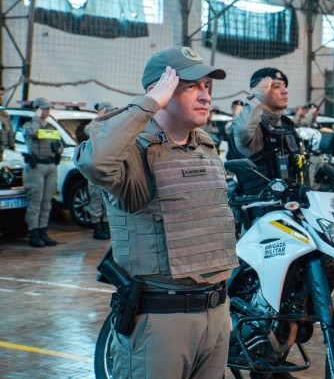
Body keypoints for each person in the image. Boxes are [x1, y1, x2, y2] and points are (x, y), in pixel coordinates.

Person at [74, 46, 237, 378]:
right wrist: (147, 105)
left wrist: (220, 312)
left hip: (216, 315)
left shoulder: (204, 144)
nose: (206, 96)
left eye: (208, 86)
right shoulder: (134, 152)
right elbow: (94, 162)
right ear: (159, 90)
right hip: (160, 321)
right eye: (193, 85)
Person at [228, 67, 305, 184]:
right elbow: (243, 130)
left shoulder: (287, 124)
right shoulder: (252, 127)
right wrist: (257, 95)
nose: (285, 91)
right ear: (261, 90)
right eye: (277, 86)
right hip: (260, 201)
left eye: (284, 86)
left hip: (295, 199)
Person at [22, 97, 64, 248]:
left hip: (51, 166)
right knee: (35, 201)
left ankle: (43, 231)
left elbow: (60, 144)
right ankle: (33, 232)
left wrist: (58, 149)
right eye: (44, 108)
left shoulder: (51, 128)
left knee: (47, 202)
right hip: (36, 167)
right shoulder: (29, 125)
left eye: (48, 108)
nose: (47, 111)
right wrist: (36, 117)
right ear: (37, 108)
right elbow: (30, 134)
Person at [85, 101, 116, 240]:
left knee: (107, 199)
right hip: (96, 168)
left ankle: (104, 224)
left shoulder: (111, 126)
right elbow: (88, 131)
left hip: (108, 167)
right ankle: (96, 226)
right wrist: (99, 117)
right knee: (96, 198)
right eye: (107, 110)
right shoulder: (94, 125)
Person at [0, 86, 15, 159]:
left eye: (1, 95)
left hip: (5, 154)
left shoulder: (5, 115)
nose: (0, 97)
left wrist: (12, 147)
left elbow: (10, 134)